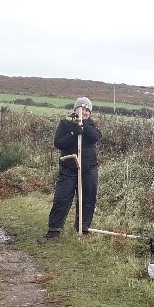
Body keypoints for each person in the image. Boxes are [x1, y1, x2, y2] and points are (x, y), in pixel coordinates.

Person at [41, 97, 102, 240]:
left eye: (87, 110)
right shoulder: (65, 123)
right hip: (68, 167)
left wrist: (84, 126)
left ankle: (83, 228)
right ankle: (54, 230)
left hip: (89, 168)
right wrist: (74, 133)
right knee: (62, 198)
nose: (84, 112)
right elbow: (58, 143)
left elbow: (96, 137)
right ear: (75, 109)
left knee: (88, 199)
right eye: (81, 109)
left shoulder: (91, 125)